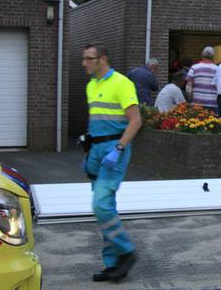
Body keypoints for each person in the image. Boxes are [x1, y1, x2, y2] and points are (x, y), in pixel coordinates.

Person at [81, 44, 140, 282]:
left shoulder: (122, 83)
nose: (84, 63)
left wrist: (118, 149)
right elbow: (97, 121)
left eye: (89, 58)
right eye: (83, 59)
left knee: (101, 205)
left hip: (114, 150)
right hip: (97, 150)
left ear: (102, 59)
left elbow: (135, 120)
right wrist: (88, 148)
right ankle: (112, 265)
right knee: (106, 209)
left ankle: (127, 252)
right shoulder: (91, 86)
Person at [186, 47, 218, 113]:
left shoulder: (194, 68)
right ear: (213, 56)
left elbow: (188, 87)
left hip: (197, 104)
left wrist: (190, 99)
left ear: (202, 55)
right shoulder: (218, 69)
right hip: (213, 104)